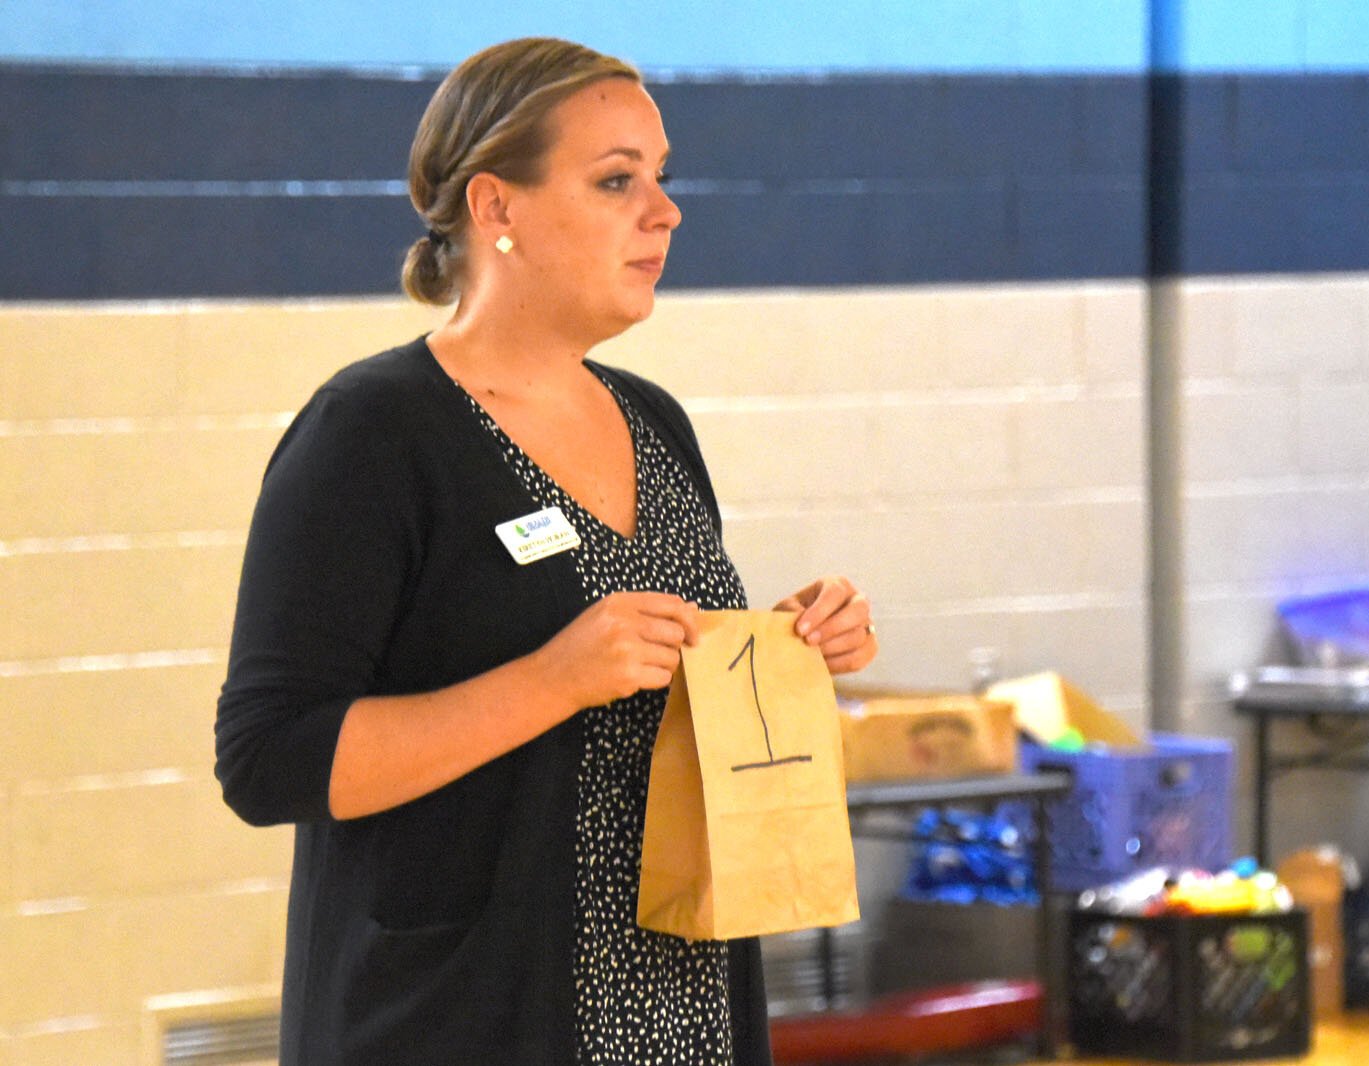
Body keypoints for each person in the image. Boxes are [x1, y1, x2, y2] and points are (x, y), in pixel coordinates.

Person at [215, 37, 877, 1066]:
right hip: (460, 1017)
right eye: (617, 180)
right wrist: (549, 680)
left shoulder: (654, 421)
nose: (663, 212)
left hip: (684, 1010)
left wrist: (785, 648)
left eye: (662, 178)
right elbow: (268, 760)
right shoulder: (372, 431)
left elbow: (660, 700)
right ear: (498, 209)